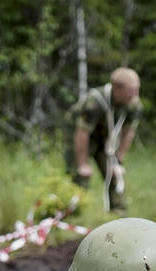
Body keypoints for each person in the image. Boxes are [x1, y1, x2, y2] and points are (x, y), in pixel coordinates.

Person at [65, 67, 142, 212]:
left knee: (114, 173)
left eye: (137, 89)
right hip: (80, 136)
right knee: (78, 175)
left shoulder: (134, 105)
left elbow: (128, 133)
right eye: (131, 90)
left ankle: (118, 213)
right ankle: (74, 212)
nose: (136, 94)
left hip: (106, 138)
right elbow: (82, 133)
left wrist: (118, 161)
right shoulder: (95, 102)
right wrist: (82, 164)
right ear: (117, 89)